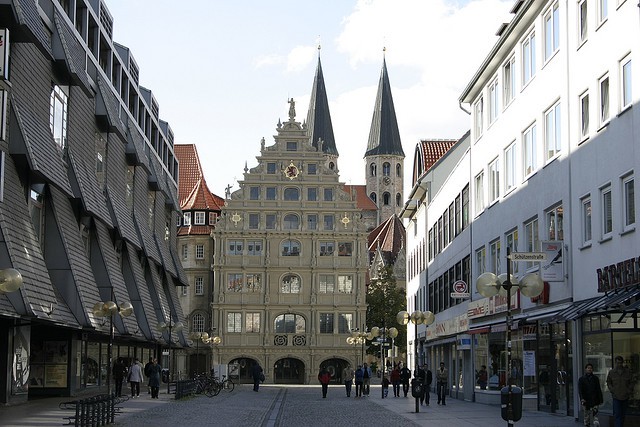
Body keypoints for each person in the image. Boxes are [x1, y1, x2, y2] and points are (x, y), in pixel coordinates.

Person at [606, 355, 633, 427]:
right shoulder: (611, 372)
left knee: (623, 414)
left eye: (621, 363)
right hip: (616, 396)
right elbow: (608, 382)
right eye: (618, 363)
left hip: (625, 396)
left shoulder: (627, 372)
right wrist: (612, 390)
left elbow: (631, 382)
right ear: (615, 363)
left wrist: (628, 390)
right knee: (617, 414)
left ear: (622, 363)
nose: (619, 364)